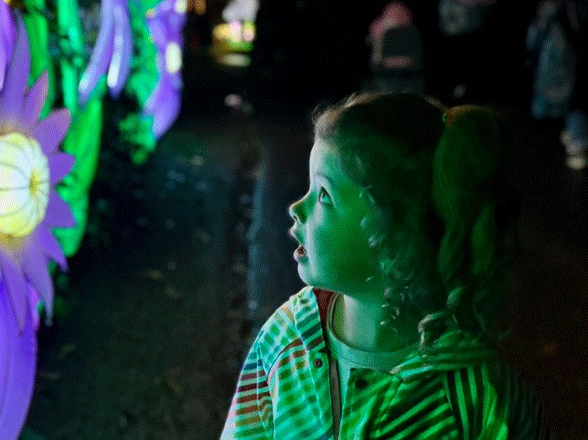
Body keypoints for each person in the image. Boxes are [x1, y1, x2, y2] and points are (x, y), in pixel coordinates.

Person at [221, 92, 553, 439]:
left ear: (396, 234)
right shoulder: (286, 338)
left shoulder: (481, 398)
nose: (296, 208)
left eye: (323, 195)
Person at [525, 0, 588, 171]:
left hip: (556, 66)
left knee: (565, 106)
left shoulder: (553, 2)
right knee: (572, 104)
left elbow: (535, 35)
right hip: (563, 65)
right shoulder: (559, 2)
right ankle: (572, 143)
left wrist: (531, 57)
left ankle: (573, 144)